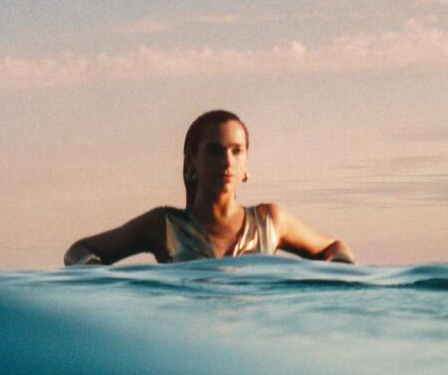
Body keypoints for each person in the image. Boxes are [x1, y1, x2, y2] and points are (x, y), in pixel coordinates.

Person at [64, 110, 354, 266]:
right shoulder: (163, 225)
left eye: (236, 151)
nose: (226, 161)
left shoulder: (270, 221)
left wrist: (334, 279)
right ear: (191, 163)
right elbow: (79, 250)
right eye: (214, 150)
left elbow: (334, 247)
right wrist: (96, 279)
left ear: (246, 165)